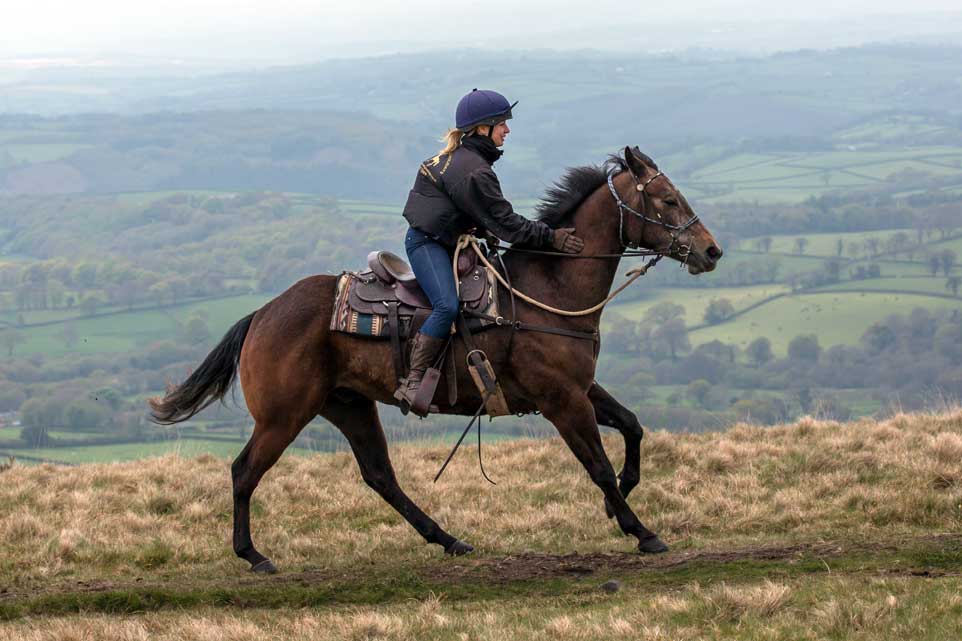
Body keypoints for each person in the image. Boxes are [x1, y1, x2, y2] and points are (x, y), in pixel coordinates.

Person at [395, 88, 585, 412]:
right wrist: (551, 238)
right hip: (428, 244)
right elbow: (508, 224)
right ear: (482, 129)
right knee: (446, 307)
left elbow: (475, 215)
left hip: (449, 242)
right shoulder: (474, 171)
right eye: (502, 124)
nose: (507, 130)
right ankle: (412, 383)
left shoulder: (469, 162)